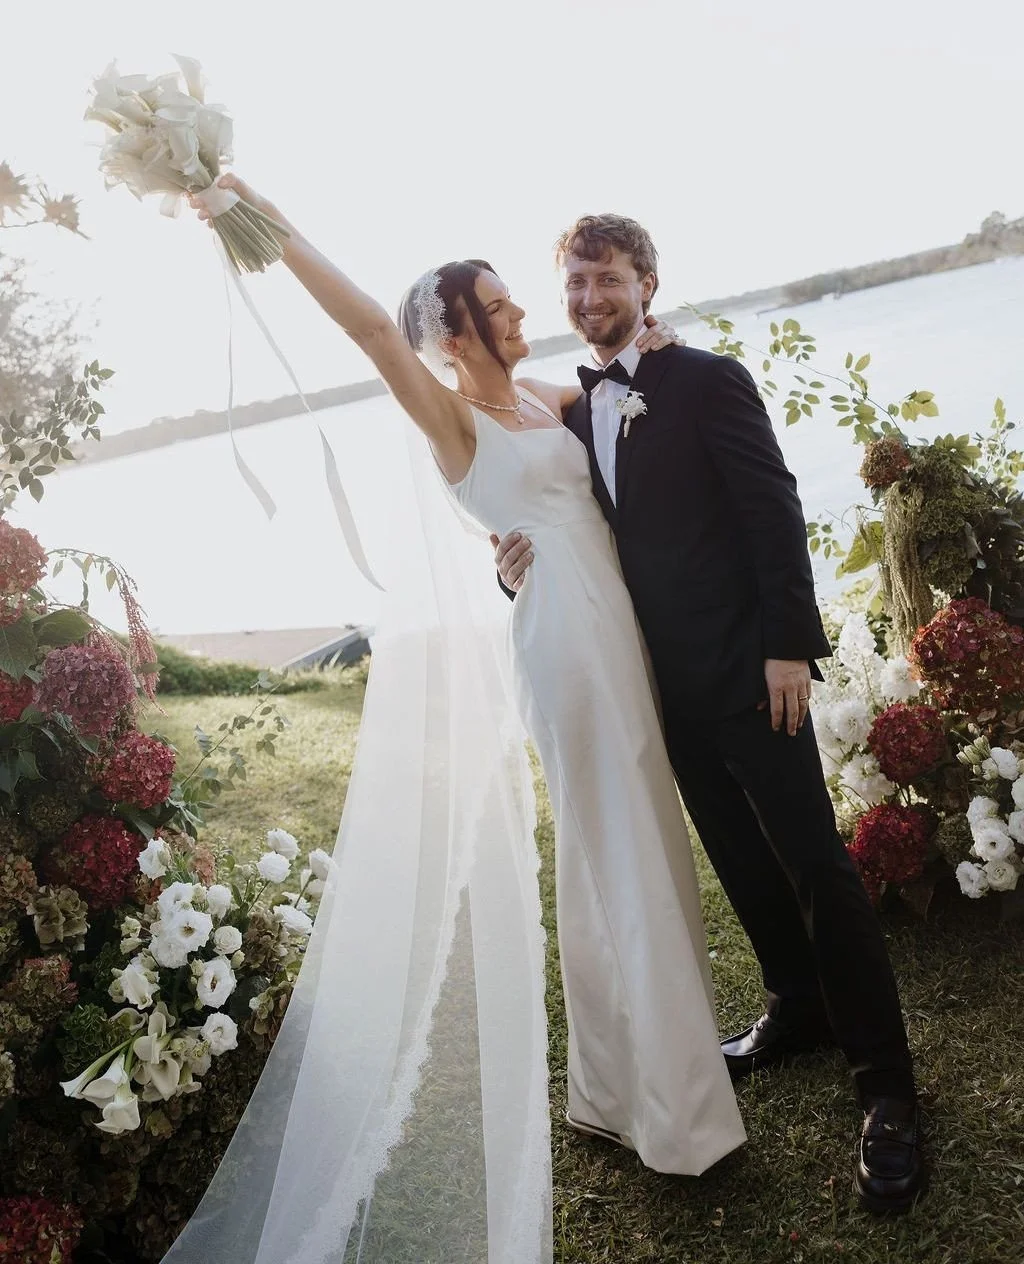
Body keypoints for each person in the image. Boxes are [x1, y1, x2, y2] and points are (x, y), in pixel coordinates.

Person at [173, 174, 746, 1262]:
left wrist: (661, 336)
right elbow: (355, 323)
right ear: (450, 328)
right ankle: (676, 1113)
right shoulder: (447, 416)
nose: (523, 310)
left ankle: (617, 1085)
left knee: (626, 843)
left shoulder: (551, 397)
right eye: (499, 301)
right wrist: (246, 207)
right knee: (613, 840)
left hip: (614, 625)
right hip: (567, 646)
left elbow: (632, 406)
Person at [493, 213, 927, 1213]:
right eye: (573, 283)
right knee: (735, 852)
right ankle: (796, 1003)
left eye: (604, 278)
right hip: (654, 684)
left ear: (648, 281)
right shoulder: (571, 407)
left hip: (747, 669)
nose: (587, 298)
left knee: (816, 862)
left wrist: (787, 647)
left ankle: (889, 1094)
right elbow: (562, 521)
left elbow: (771, 507)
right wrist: (514, 562)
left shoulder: (707, 380)